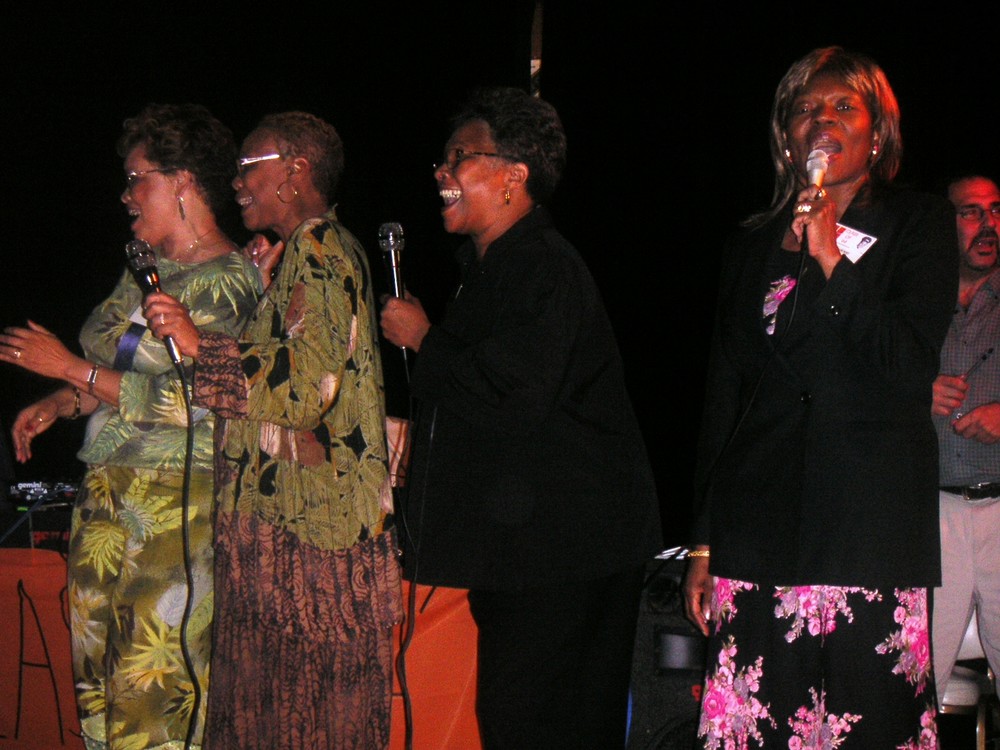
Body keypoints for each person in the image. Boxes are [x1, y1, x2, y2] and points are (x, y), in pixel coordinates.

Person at [680, 46, 957, 747]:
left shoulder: (919, 224)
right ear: (786, 138)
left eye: (842, 106)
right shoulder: (749, 245)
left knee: (869, 727)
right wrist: (705, 542)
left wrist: (831, 255)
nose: (822, 119)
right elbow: (725, 396)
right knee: (755, 729)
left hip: (868, 533)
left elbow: (906, 363)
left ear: (877, 133)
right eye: (805, 109)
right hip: (758, 531)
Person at [379, 85, 662, 749]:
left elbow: (515, 397)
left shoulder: (542, 266)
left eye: (460, 157)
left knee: (536, 723)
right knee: (529, 721)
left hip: (568, 553)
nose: (442, 173)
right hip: (536, 551)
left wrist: (426, 340)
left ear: (514, 175)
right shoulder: (491, 270)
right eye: (442, 160)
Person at [0, 103, 260, 749]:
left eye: (136, 178)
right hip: (105, 493)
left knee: (153, 687)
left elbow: (198, 403)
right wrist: (64, 400)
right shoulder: (141, 270)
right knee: (95, 682)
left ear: (183, 181)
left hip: (174, 506)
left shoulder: (232, 281)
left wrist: (70, 369)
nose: (125, 195)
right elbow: (114, 368)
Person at [142, 111, 401, 750]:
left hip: (310, 552)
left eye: (247, 167)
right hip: (290, 540)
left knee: (302, 722)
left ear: (294, 172)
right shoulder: (307, 255)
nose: (235, 183)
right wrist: (264, 301)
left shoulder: (321, 246)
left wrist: (200, 344)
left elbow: (309, 385)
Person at [930, 173, 1000, 705]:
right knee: (916, 678)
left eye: (995, 210)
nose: (988, 224)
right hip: (932, 514)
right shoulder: (918, 302)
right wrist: (917, 391)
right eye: (971, 212)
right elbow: (861, 382)